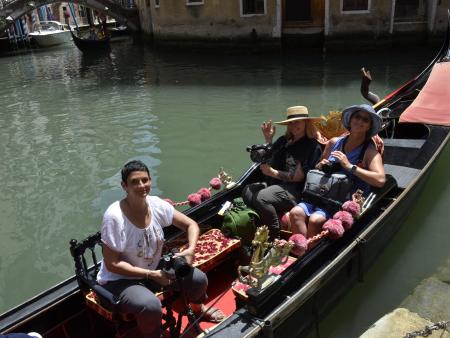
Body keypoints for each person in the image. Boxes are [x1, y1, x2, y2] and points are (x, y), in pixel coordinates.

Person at [97, 160, 224, 338]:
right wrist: (151, 275)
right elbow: (112, 264)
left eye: (145, 180)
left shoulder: (155, 204)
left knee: (198, 280)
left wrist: (191, 250)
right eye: (135, 182)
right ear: (124, 186)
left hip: (154, 267)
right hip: (121, 279)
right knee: (150, 306)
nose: (142, 185)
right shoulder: (114, 217)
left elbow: (191, 225)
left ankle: (198, 309)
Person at [289, 104, 386, 238]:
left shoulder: (369, 152)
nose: (360, 121)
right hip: (320, 192)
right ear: (351, 120)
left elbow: (380, 180)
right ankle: (301, 251)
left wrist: (349, 166)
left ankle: (311, 252)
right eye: (357, 117)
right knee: (295, 213)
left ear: (369, 126)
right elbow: (317, 167)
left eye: (365, 120)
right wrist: (321, 165)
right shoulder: (333, 143)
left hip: (342, 199)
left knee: (315, 220)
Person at [242, 106, 322, 240]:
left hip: (295, 191)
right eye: (291, 122)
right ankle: (258, 223)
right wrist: (268, 139)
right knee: (247, 191)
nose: (293, 125)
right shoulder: (283, 140)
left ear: (306, 123)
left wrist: (272, 173)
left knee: (262, 197)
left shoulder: (311, 145)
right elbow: (268, 157)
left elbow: (297, 178)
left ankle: (274, 235)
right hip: (276, 185)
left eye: (297, 121)